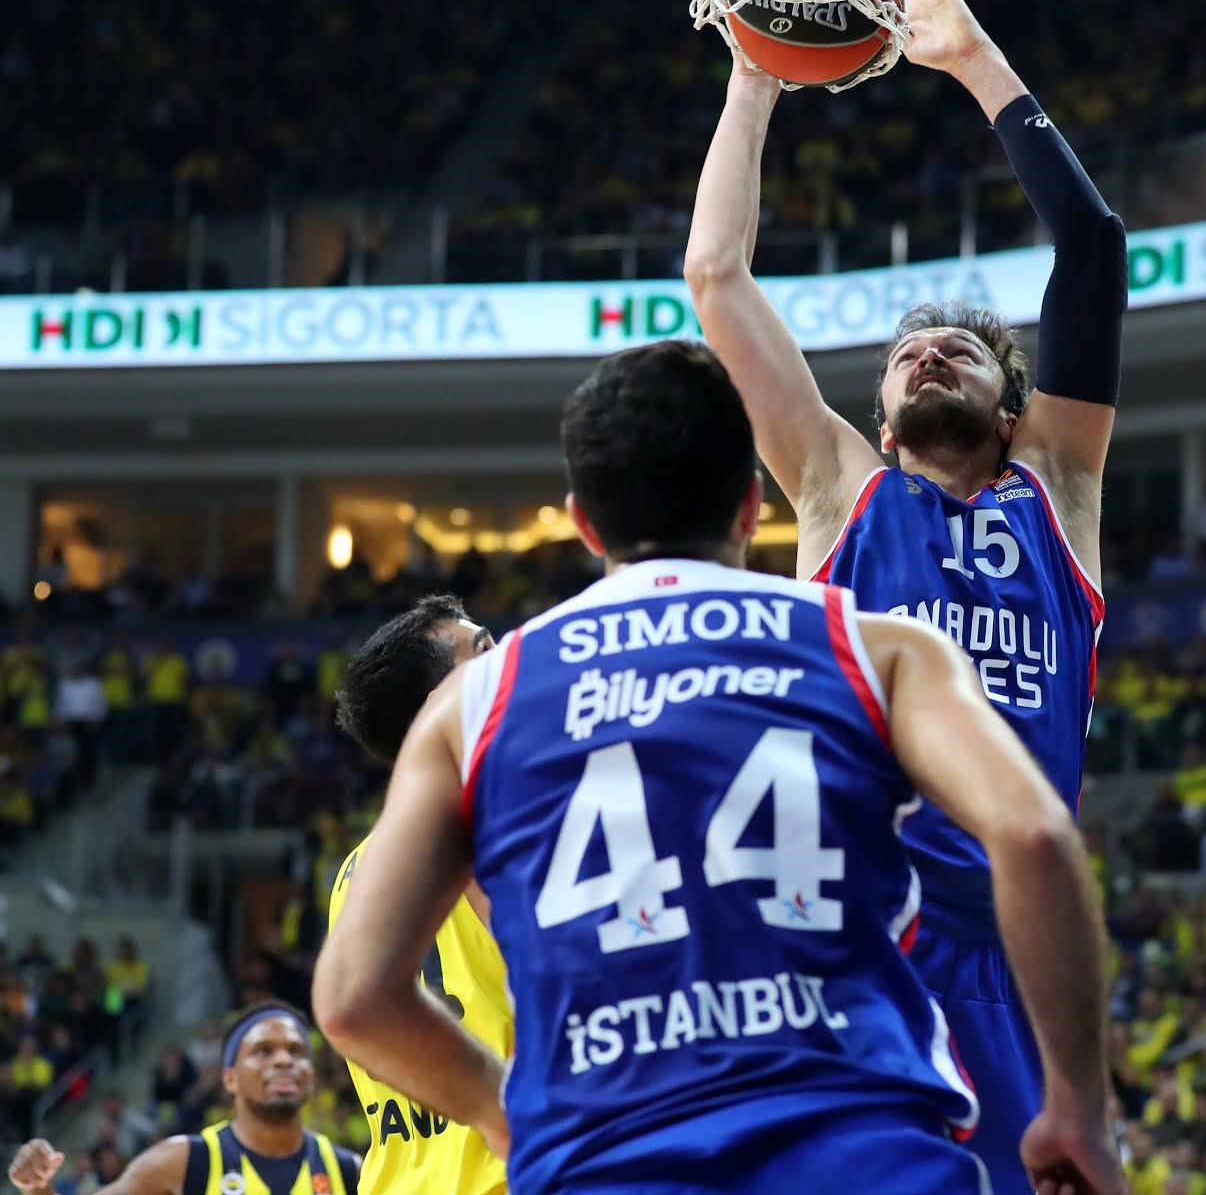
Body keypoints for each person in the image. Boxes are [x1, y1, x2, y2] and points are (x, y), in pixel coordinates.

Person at [313, 341, 1122, 1195]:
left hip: (609, 1159)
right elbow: (1034, 835)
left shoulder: (478, 702)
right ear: (747, 508)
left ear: (583, 523)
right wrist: (1074, 1100)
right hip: (853, 1149)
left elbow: (354, 998)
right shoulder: (870, 644)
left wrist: (499, 1112)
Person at [682, 0, 1125, 1192]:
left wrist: (973, 59)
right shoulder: (836, 487)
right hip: (850, 935)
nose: (925, 353)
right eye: (904, 355)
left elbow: (1090, 252)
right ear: (876, 417)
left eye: (961, 353)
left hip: (1015, 952)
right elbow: (716, 277)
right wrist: (755, 77)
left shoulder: (1061, 490)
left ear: (1012, 412)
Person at [326, 594, 509, 1195]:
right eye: (484, 649)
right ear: (442, 704)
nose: (509, 654)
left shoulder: (355, 868)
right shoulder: (486, 820)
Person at [8, 1005, 360, 1195]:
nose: (283, 1061)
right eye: (263, 1051)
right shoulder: (182, 1160)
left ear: (311, 1077)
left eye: (297, 1052)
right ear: (230, 1077)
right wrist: (38, 1189)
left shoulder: (349, 1172)